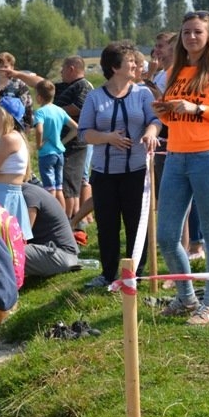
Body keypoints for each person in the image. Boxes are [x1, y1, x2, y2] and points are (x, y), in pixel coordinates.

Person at [155, 10, 209, 326]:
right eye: (186, 32)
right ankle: (186, 297)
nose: (191, 37)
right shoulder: (173, 71)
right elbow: (174, 120)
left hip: (208, 156)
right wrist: (164, 112)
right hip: (175, 157)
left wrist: (198, 108)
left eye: (198, 32)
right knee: (167, 236)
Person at [77, 41, 161, 289]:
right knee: (107, 225)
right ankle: (108, 274)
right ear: (115, 67)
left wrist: (151, 132)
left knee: (137, 223)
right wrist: (107, 138)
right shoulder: (95, 97)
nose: (136, 65)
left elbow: (155, 120)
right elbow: (83, 133)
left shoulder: (143, 94)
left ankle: (136, 273)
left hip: (137, 171)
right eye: (130, 61)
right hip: (104, 173)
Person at [5, 56, 93, 218]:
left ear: (71, 69)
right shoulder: (63, 86)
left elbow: (78, 108)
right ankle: (69, 219)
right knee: (63, 185)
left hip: (75, 146)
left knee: (70, 185)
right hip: (62, 145)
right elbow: (41, 83)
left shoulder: (83, 85)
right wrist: (16, 74)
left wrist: (52, 110)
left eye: (63, 68)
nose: (60, 71)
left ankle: (70, 221)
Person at [0, 96, 33, 242]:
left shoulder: (7, 139)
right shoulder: (18, 137)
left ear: (7, 117)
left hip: (1, 195)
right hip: (13, 195)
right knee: (13, 244)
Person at [32, 79, 79, 211]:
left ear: (39, 97)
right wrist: (62, 142)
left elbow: (39, 129)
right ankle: (63, 216)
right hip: (59, 153)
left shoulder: (40, 112)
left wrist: (39, 144)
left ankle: (50, 214)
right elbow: (76, 128)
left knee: (49, 189)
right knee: (59, 188)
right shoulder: (59, 110)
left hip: (46, 154)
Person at [21, 181, 81, 278]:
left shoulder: (29, 195)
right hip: (55, 253)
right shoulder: (29, 191)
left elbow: (23, 236)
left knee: (4, 251)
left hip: (62, 255)